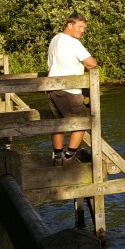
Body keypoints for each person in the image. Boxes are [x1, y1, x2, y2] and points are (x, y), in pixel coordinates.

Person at [47, 13, 98, 166]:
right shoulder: (73, 42)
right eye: (79, 27)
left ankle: (58, 158)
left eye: (84, 28)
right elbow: (92, 63)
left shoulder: (55, 39)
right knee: (82, 122)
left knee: (58, 123)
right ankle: (69, 157)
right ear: (69, 25)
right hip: (69, 90)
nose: (82, 31)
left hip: (52, 88)